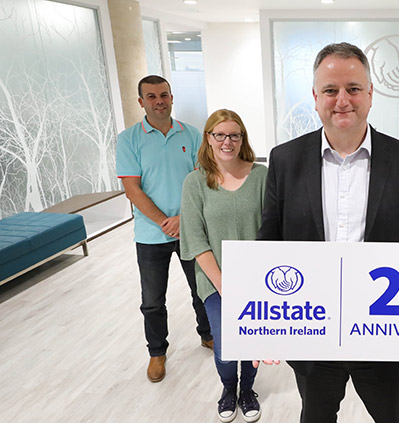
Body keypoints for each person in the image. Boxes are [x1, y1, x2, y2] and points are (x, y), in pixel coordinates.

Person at [256, 42, 399, 423]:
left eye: (353, 89)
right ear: (315, 97)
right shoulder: (284, 160)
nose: (342, 100)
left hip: (386, 334)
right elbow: (269, 243)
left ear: (370, 94)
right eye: (330, 90)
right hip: (312, 334)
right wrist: (264, 327)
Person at [116, 75, 213, 383]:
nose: (159, 101)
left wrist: (184, 219)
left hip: (191, 229)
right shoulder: (128, 139)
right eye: (151, 96)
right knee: (153, 300)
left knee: (202, 290)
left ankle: (208, 334)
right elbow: (133, 189)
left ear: (172, 97)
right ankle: (157, 353)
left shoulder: (193, 134)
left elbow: (203, 182)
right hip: (150, 235)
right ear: (141, 102)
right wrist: (164, 221)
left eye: (164, 95)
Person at [180, 109, 266, 422]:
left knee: (253, 336)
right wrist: (222, 283)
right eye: (220, 135)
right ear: (208, 138)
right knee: (227, 342)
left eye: (234, 135)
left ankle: (248, 389)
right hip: (213, 276)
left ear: (242, 139)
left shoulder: (260, 176)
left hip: (256, 277)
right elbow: (195, 238)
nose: (227, 141)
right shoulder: (195, 182)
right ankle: (229, 387)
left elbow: (271, 229)